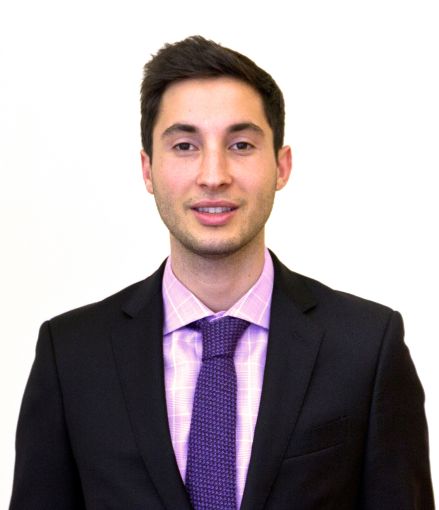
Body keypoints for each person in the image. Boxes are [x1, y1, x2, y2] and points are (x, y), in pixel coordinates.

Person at [9, 35, 434, 510]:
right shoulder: (71, 355)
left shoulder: (367, 347)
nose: (214, 175)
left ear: (281, 166)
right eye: (185, 145)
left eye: (241, 144)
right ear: (148, 169)